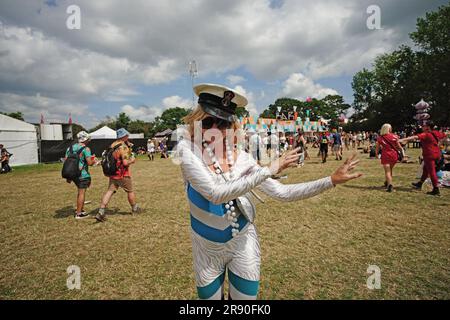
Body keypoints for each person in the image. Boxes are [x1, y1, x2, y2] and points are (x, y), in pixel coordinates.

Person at [176, 83, 362, 300]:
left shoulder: (243, 159)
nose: (216, 129)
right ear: (197, 121)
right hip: (205, 249)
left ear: (233, 126)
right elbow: (214, 193)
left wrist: (330, 180)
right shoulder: (187, 150)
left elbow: (282, 193)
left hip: (242, 243)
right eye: (208, 122)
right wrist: (269, 170)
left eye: (224, 122)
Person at [96, 128, 141, 222]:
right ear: (123, 136)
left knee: (109, 191)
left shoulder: (113, 145)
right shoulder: (123, 147)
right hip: (123, 174)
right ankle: (135, 209)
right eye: (127, 135)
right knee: (130, 191)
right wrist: (132, 160)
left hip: (113, 173)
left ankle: (101, 211)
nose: (128, 137)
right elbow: (125, 162)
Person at [400, 121, 446, 196]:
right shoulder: (436, 133)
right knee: (425, 169)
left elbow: (415, 137)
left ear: (428, 127)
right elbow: (444, 134)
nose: (422, 127)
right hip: (437, 154)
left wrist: (403, 139)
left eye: (424, 126)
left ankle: (436, 189)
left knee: (432, 172)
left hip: (429, 155)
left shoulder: (426, 134)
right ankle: (420, 183)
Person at [65, 131, 96, 219]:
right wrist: (94, 160)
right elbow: (90, 163)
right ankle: (79, 213)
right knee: (81, 193)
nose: (89, 141)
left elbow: (67, 161)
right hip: (82, 174)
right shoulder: (86, 149)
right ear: (85, 139)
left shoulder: (69, 148)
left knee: (80, 192)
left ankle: (80, 209)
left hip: (73, 174)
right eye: (88, 139)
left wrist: (69, 177)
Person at [376, 124, 402, 192]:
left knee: (387, 171)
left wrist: (376, 154)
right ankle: (387, 182)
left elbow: (377, 148)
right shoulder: (395, 136)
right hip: (394, 155)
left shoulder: (380, 138)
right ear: (389, 129)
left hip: (385, 155)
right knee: (390, 170)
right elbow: (399, 147)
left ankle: (390, 186)